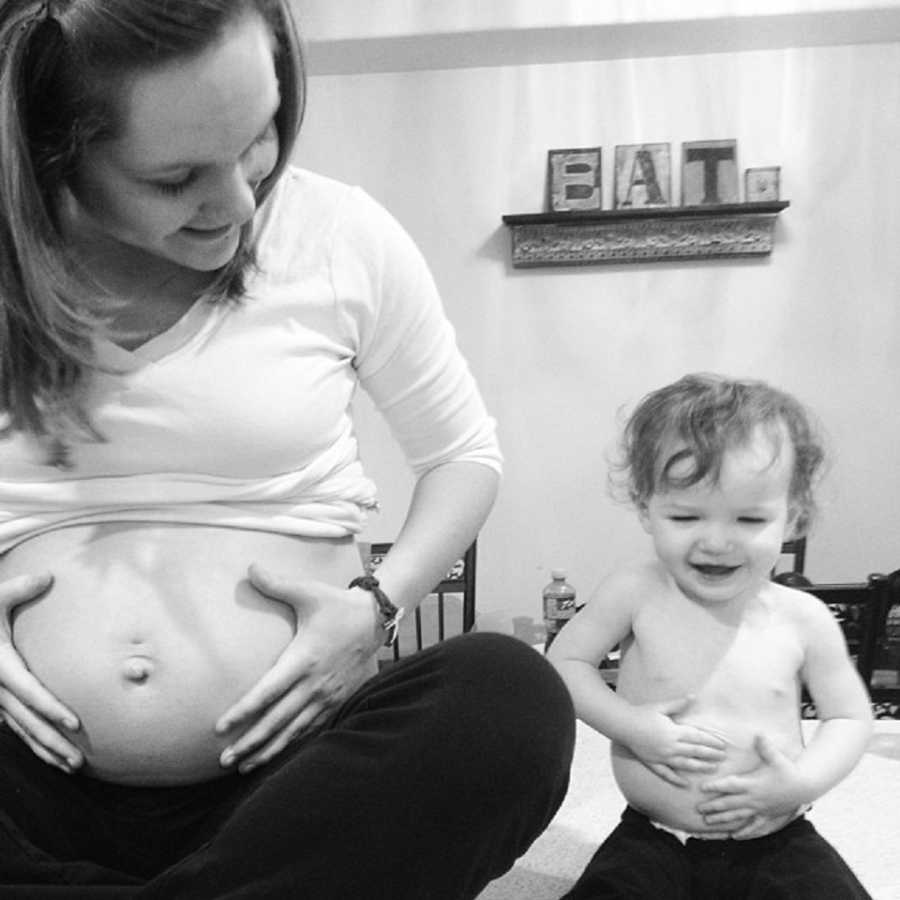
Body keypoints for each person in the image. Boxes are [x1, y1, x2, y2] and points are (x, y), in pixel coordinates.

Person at [0, 2, 575, 896]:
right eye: (177, 176)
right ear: (51, 153)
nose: (239, 202)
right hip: (23, 780)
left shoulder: (341, 235)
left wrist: (375, 606)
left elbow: (462, 454)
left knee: (510, 699)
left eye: (259, 133)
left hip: (288, 781)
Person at [548, 373, 873, 899]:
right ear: (645, 506)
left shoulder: (803, 617)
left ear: (792, 516)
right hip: (653, 836)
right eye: (685, 515)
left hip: (775, 835)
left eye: (749, 518)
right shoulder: (635, 591)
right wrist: (631, 727)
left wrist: (803, 783)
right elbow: (564, 665)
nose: (716, 540)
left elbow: (850, 717)